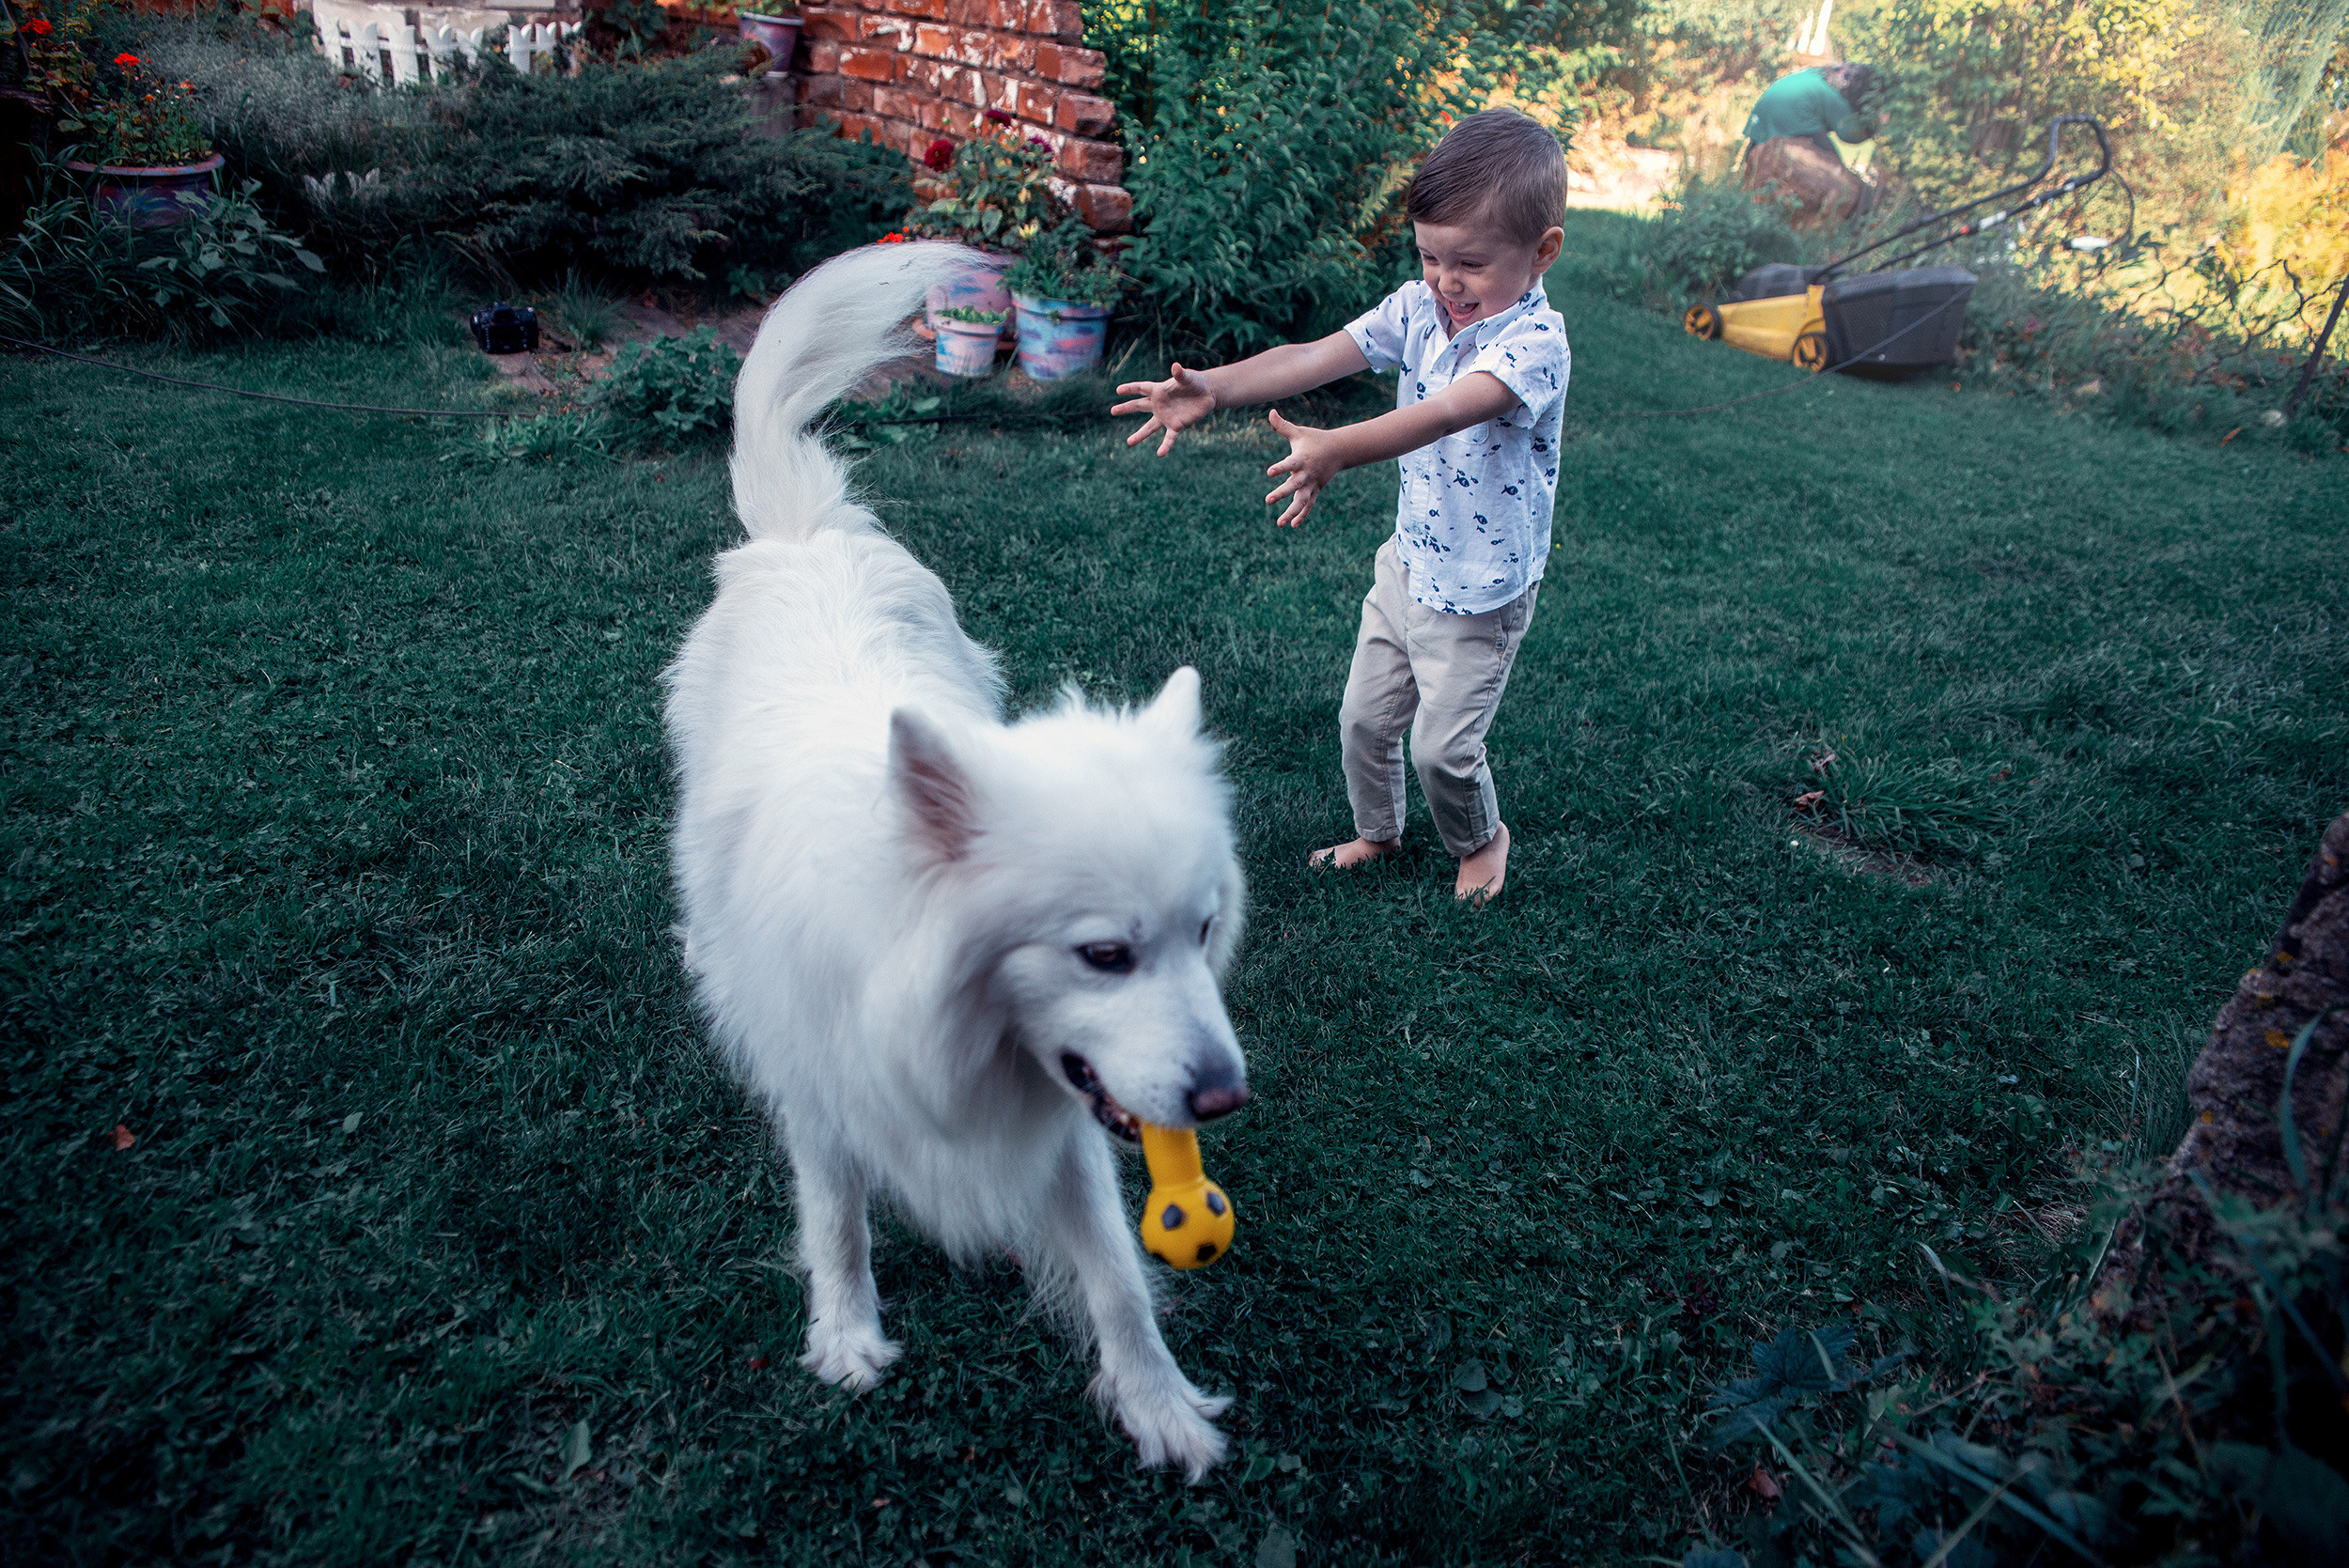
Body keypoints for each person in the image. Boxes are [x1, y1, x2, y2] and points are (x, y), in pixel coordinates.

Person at [1112, 107, 1567, 905]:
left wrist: (1337, 447)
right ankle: (1379, 832)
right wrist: (1215, 387)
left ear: (1542, 253)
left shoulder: (1535, 345)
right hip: (1409, 562)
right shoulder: (1419, 307)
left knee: (1443, 751)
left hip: (1481, 590)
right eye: (1429, 255)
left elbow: (1446, 412)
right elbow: (1314, 355)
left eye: (1469, 263)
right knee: (1363, 718)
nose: (1445, 281)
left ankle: (1482, 840)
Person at [1741, 62, 1882, 225]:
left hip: (1763, 118)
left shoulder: (1817, 74)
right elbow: (1849, 134)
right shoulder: (1835, 95)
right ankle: (1858, 219)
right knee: (1839, 178)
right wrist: (1875, 125)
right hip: (1796, 120)